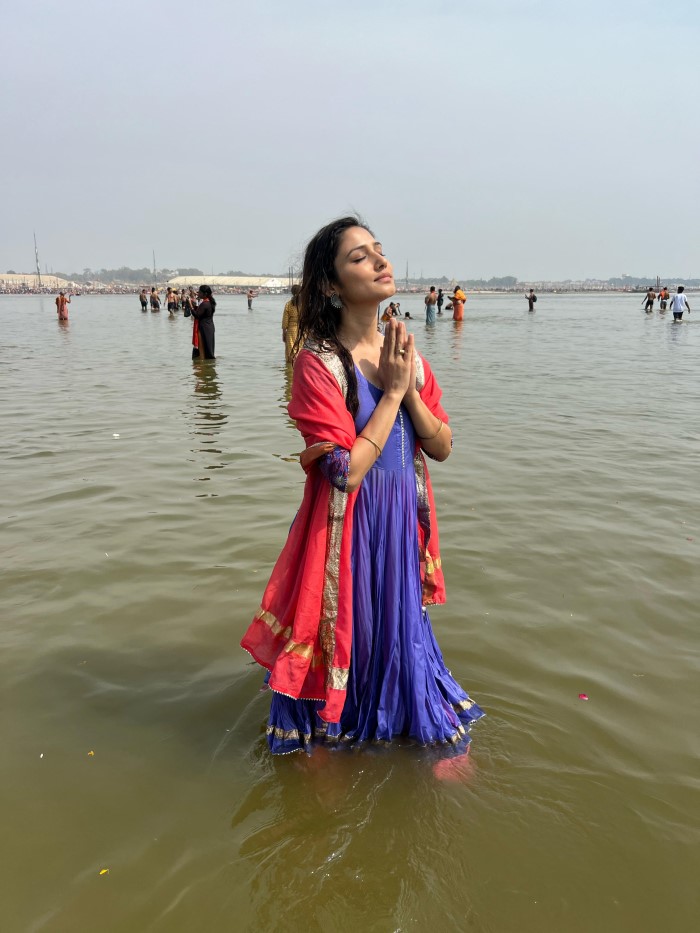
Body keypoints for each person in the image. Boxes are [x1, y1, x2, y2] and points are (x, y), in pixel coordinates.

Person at [240, 215, 484, 758]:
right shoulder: (319, 364)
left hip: (399, 521)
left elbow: (442, 446)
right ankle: (334, 733)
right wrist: (392, 394)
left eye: (379, 250)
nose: (379, 261)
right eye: (359, 257)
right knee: (349, 626)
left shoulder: (406, 357)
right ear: (331, 285)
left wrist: (407, 389)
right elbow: (344, 472)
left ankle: (406, 724)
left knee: (397, 627)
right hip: (348, 526)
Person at [191, 284, 216, 358]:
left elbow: (197, 315)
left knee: (202, 349)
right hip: (209, 327)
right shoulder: (209, 302)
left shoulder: (205, 303)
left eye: (200, 292)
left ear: (205, 294)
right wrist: (194, 306)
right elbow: (201, 312)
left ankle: (202, 362)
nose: (198, 293)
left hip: (204, 328)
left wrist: (190, 306)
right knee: (208, 348)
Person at [282, 285, 301, 365]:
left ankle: (290, 369)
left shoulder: (289, 304)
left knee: (291, 351)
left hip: (291, 331)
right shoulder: (306, 304)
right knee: (301, 350)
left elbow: (285, 320)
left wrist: (284, 332)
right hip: (303, 330)